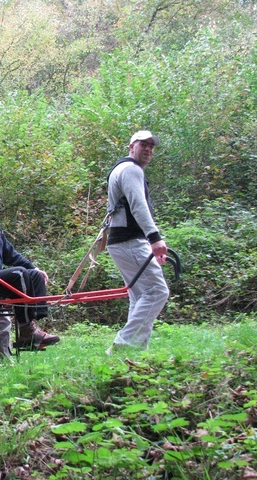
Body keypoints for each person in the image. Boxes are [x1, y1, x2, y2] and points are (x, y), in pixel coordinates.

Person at [0, 186, 60, 352]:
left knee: (33, 274)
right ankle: (27, 329)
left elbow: (11, 254)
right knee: (19, 273)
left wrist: (34, 267)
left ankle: (33, 325)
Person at [105, 130, 170, 354]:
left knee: (140, 296)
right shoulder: (131, 169)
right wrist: (154, 239)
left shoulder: (120, 169)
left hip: (120, 241)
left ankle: (134, 352)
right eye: (144, 144)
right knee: (157, 291)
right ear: (131, 147)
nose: (149, 149)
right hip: (129, 240)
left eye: (152, 146)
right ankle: (123, 346)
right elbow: (138, 205)